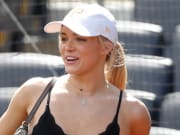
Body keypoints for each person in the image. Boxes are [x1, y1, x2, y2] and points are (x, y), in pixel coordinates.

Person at [0, 3, 151, 135]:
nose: (68, 47)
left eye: (80, 39)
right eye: (64, 38)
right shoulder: (32, 92)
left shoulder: (134, 112)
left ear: (106, 47)